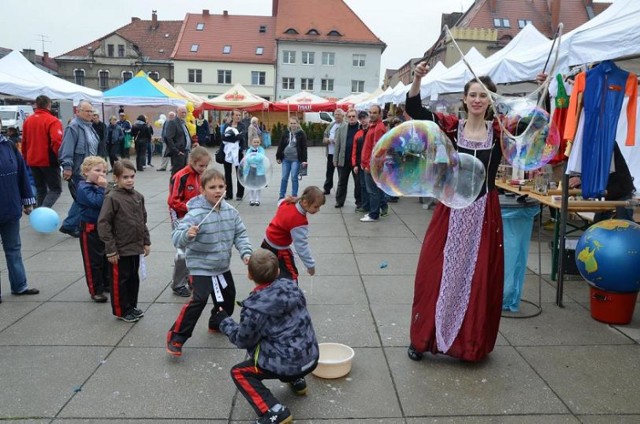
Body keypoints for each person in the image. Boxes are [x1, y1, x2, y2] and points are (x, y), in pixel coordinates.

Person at [405, 61, 504, 362]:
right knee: (433, 270)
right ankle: (423, 339)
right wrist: (417, 78)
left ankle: (469, 344)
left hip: (484, 212)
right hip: (451, 209)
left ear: (490, 101)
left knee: (477, 277)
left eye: (483, 96)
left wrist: (547, 89)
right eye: (473, 94)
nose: (477, 100)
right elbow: (416, 109)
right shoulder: (451, 126)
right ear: (464, 99)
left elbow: (533, 127)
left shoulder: (499, 131)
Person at [211, 248, 319, 424]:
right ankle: (297, 381)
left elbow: (242, 339)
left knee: (239, 372)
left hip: (289, 363)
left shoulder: (255, 308)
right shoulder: (293, 288)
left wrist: (224, 320)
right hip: (311, 356)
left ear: (249, 275)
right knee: (287, 336)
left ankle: (274, 411)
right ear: (278, 271)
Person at [166, 169, 252, 357]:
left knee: (228, 298)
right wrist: (187, 235)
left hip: (221, 266)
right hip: (200, 266)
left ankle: (216, 322)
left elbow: (240, 235)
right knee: (199, 299)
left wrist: (246, 253)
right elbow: (176, 237)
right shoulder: (195, 214)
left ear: (226, 188)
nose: (217, 191)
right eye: (212, 187)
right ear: (202, 191)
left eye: (221, 186)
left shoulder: (231, 212)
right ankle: (176, 336)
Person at [97, 159, 151, 323]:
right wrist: (111, 249)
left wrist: (146, 241)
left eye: (132, 176)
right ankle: (121, 309)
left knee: (132, 279)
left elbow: (143, 220)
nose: (129, 180)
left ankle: (131, 306)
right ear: (116, 178)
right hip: (119, 249)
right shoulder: (112, 198)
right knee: (120, 280)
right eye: (125, 177)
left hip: (134, 247)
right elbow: (104, 224)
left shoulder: (138, 196)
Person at [0, 122, 39, 303]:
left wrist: (27, 201)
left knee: (14, 249)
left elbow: (22, 174)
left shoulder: (8, 145)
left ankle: (19, 285)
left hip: (10, 208)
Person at [167, 146, 211, 297]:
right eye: (201, 165)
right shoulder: (181, 176)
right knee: (182, 252)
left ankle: (191, 278)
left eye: (206, 166)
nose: (203, 169)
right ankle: (178, 284)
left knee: (196, 248)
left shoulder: (202, 175)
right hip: (180, 215)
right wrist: (189, 207)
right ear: (192, 161)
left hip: (195, 216)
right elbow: (173, 201)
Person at [261, 186, 325, 282]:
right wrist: (310, 265)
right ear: (305, 202)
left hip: (267, 242)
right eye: (316, 207)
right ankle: (292, 295)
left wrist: (286, 199)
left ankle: (269, 290)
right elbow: (301, 246)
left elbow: (280, 203)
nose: (318, 210)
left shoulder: (288, 203)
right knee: (291, 275)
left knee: (269, 272)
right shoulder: (299, 221)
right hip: (279, 248)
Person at [59, 100, 101, 238]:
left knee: (82, 197)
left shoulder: (89, 126)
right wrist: (67, 167)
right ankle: (70, 225)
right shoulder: (74, 127)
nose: (90, 114)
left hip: (90, 169)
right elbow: (67, 149)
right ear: (78, 111)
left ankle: (73, 223)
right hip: (79, 170)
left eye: (91, 111)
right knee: (82, 198)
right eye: (87, 111)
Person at [76, 156, 109, 303]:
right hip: (90, 230)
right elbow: (97, 202)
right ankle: (96, 290)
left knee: (106, 259)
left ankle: (106, 283)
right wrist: (103, 188)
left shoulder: (100, 186)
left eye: (104, 171)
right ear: (86, 171)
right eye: (97, 170)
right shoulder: (84, 188)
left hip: (103, 228)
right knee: (93, 262)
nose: (101, 174)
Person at [20, 94, 63, 208]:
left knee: (41, 188)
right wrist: (60, 158)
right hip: (48, 160)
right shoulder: (52, 120)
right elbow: (57, 141)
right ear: (49, 105)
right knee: (55, 189)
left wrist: (25, 158)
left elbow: (24, 142)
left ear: (36, 105)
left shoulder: (28, 120)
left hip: (32, 160)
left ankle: (39, 213)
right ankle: (43, 212)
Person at [359, 104, 388, 222]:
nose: (371, 114)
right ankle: (378, 209)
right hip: (368, 164)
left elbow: (377, 150)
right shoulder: (373, 126)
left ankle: (373, 214)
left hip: (371, 166)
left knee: (372, 191)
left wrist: (369, 166)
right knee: (375, 189)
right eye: (370, 112)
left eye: (374, 112)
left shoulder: (379, 128)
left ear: (380, 114)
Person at [334, 108, 361, 208]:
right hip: (344, 160)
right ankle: (339, 201)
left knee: (358, 183)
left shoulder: (361, 128)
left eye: (353, 116)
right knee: (342, 182)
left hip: (356, 162)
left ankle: (359, 202)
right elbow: (337, 145)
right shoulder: (342, 128)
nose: (351, 118)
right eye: (349, 116)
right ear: (346, 117)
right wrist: (335, 159)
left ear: (357, 117)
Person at [276, 117, 308, 200]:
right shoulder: (286, 133)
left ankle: (294, 195)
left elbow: (304, 148)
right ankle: (281, 195)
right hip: (285, 159)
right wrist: (278, 156)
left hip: (296, 159)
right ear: (289, 124)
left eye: (294, 123)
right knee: (284, 177)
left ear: (297, 124)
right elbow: (281, 145)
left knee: (294, 177)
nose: (293, 125)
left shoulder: (301, 134)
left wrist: (304, 160)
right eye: (291, 123)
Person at [222, 109, 246, 200]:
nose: (238, 117)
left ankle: (239, 194)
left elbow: (241, 136)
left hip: (238, 152)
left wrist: (231, 137)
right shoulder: (226, 125)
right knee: (227, 173)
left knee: (239, 173)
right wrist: (235, 138)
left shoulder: (242, 126)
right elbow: (223, 137)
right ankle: (228, 194)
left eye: (239, 115)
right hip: (227, 152)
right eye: (236, 115)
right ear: (232, 116)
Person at [322, 108, 346, 194]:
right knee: (329, 172)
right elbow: (324, 136)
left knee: (341, 173)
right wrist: (328, 140)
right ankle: (327, 188)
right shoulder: (331, 125)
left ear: (343, 116)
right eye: (335, 114)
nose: (337, 116)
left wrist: (338, 141)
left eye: (339, 114)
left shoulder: (345, 126)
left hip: (340, 154)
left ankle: (340, 190)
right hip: (330, 153)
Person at [352, 111, 371, 213]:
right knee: (362, 186)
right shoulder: (358, 134)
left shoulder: (372, 131)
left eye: (364, 118)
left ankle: (373, 206)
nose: (363, 120)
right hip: (360, 164)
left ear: (368, 118)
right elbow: (354, 150)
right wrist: (354, 164)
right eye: (361, 118)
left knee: (371, 187)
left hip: (370, 164)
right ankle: (365, 205)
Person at [245, 136, 267, 206]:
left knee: (258, 185)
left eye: (258, 142)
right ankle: (251, 199)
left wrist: (253, 158)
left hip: (259, 171)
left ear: (260, 142)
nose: (256, 143)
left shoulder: (261, 150)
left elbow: (260, 158)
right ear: (251, 143)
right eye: (254, 142)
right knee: (251, 185)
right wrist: (255, 158)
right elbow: (248, 159)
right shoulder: (249, 150)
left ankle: (257, 200)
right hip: (251, 170)